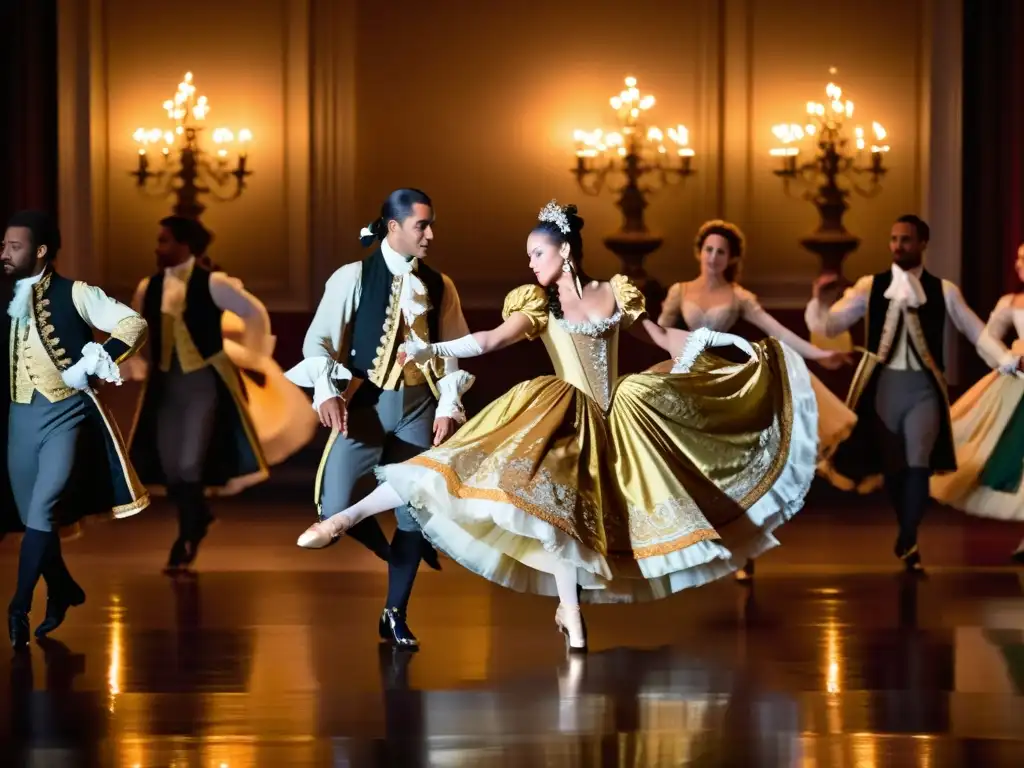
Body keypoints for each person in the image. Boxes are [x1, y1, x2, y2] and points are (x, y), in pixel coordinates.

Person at [295, 200, 819, 653]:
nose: (530, 263)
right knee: (460, 466)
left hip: (620, 416)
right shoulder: (537, 303)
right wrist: (434, 348)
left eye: (537, 254)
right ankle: (341, 520)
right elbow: (492, 340)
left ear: (564, 251)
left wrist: (720, 345)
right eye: (528, 256)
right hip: (562, 413)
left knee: (564, 520)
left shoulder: (615, 292)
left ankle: (570, 612)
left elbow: (662, 339)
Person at [284, 188, 474, 650]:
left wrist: (448, 405)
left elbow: (454, 350)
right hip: (366, 405)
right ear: (394, 226)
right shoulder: (353, 277)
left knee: (416, 513)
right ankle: (393, 554)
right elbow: (318, 343)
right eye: (420, 226)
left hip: (420, 410)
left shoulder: (440, 283)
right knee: (333, 508)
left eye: (430, 225)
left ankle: (395, 611)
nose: (429, 234)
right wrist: (326, 390)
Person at [658, 219, 857, 582]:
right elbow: (658, 331)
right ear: (699, 252)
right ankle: (691, 544)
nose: (713, 257)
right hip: (687, 379)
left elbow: (777, 331)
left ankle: (743, 549)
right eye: (709, 250)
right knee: (692, 470)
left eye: (721, 252)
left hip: (727, 383)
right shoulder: (680, 291)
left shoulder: (738, 296)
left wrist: (818, 355)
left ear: (731, 258)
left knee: (733, 470)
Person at [808, 214, 1000, 573]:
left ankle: (909, 536)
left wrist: (1005, 360)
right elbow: (831, 325)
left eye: (906, 240)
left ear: (923, 244)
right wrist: (819, 301)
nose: (898, 246)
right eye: (894, 239)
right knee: (893, 469)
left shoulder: (944, 290)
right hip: (882, 390)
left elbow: (977, 332)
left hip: (923, 390)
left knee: (918, 462)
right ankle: (906, 530)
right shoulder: (870, 286)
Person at [1, 210, 149, 647]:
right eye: (4, 245)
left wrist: (92, 363)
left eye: (15, 246)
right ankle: (63, 589)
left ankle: (19, 606)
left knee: (43, 509)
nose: (4, 253)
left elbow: (133, 324)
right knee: (33, 519)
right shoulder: (3, 293)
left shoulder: (76, 293)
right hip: (18, 418)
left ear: (41, 250)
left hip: (66, 414)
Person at [125, 215, 276, 573]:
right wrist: (135, 366)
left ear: (184, 245)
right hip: (165, 383)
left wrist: (255, 356)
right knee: (170, 463)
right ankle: (199, 517)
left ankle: (185, 537)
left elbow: (254, 313)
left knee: (190, 461)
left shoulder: (214, 283)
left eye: (164, 240)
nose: (158, 248)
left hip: (203, 381)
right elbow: (133, 329)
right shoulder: (149, 286)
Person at [930, 243, 1024, 562]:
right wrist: (1009, 359)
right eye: (1018, 259)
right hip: (1018, 381)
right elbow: (987, 338)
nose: (1019, 264)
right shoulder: (1010, 303)